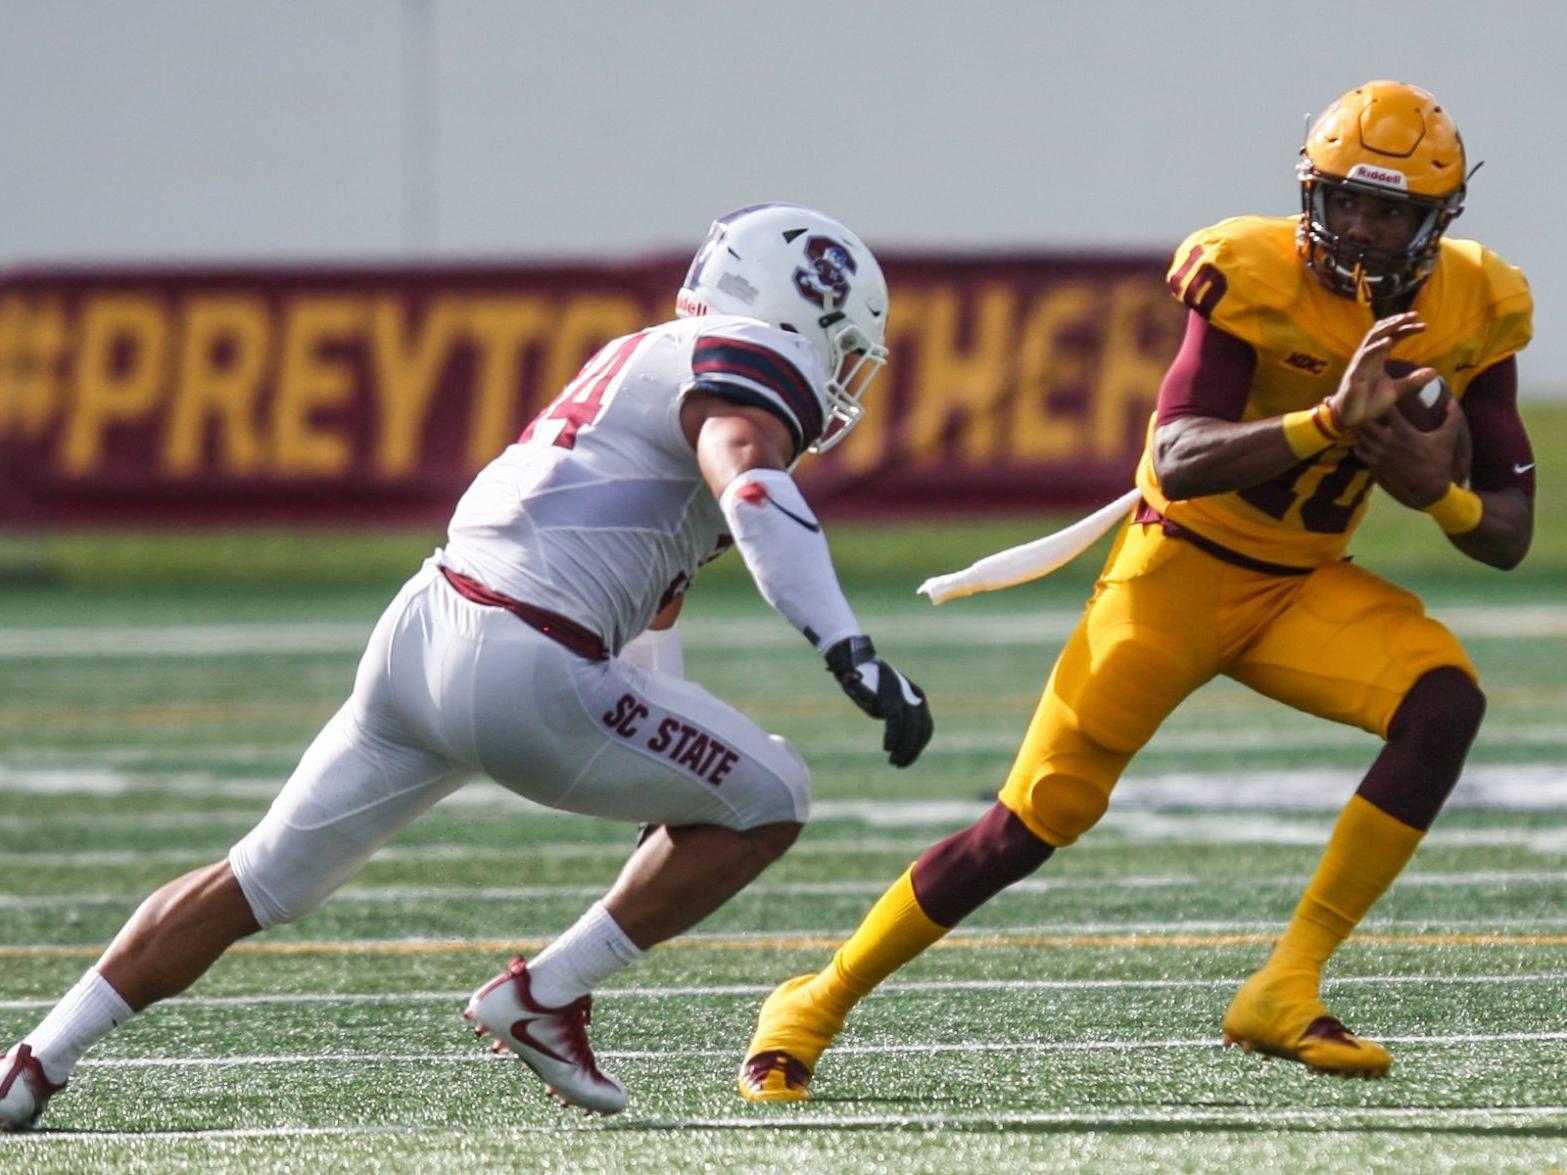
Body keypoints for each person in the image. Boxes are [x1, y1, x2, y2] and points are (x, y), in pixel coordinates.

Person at [0, 203, 933, 1130]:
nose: (842, 377)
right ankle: (547, 992)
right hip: (529, 661)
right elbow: (754, 480)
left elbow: (652, 610)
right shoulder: (750, 366)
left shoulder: (638, 360)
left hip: (422, 630)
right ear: (795, 312)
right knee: (774, 794)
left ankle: (37, 1057)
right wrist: (847, 648)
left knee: (256, 874)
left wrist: (665, 744)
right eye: (842, 345)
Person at [738, 80, 1535, 1101]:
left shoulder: (1479, 300)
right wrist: (1323, 426)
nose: (1365, 228)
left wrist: (1442, 499)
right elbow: (1179, 453)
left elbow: (1507, 536)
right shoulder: (1251, 270)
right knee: (1032, 819)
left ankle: (1285, 984)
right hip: (1176, 570)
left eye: (1391, 211)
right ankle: (812, 1000)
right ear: (1311, 195)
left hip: (1303, 584)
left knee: (1442, 702)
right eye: (1347, 202)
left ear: (1439, 221)